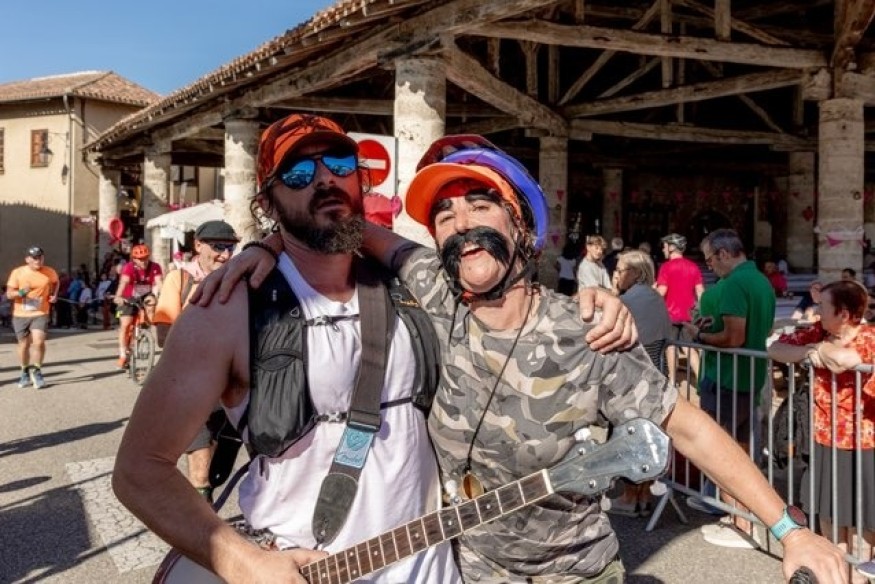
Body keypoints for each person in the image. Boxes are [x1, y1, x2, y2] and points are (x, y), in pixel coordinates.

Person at [206, 135, 848, 583]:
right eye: (445, 214)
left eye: (480, 204)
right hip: (468, 572)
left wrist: (791, 530)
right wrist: (263, 246)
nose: (461, 222)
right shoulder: (435, 292)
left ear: (519, 224)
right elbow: (341, 226)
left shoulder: (585, 330)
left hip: (576, 575)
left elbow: (689, 427)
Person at [113, 115, 634, 584]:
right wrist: (242, 562)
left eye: (339, 164)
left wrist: (595, 304)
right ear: (266, 203)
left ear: (359, 181)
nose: (324, 178)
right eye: (298, 172)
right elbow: (140, 469)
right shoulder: (228, 310)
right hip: (309, 571)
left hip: (432, 568)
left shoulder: (414, 287)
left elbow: (511, 296)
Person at [768, 280, 875, 584]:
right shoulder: (818, 333)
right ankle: (840, 575)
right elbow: (775, 348)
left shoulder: (869, 338)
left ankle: (860, 574)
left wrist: (825, 352)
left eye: (823, 307)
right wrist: (811, 350)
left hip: (864, 442)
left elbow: (847, 361)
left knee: (865, 520)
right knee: (830, 515)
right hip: (825, 439)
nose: (816, 312)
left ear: (843, 314)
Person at [683, 229, 776, 548]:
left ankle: (740, 522)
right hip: (750, 376)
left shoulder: (735, 283)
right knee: (741, 449)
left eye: (710, 260)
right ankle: (743, 516)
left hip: (726, 377)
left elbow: (734, 337)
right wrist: (714, 327)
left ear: (724, 254)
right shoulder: (760, 280)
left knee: (720, 451)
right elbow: (757, 328)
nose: (710, 266)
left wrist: (700, 336)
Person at [153, 219, 240, 502]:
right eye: (218, 247)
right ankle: (200, 517)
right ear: (198, 245)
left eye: (230, 247)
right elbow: (163, 335)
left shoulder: (239, 281)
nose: (225, 255)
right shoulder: (179, 279)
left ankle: (201, 505)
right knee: (201, 462)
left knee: (218, 454)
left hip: (232, 386)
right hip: (191, 385)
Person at [605, 248, 672, 517]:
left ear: (634, 273)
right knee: (646, 437)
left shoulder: (628, 300)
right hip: (654, 373)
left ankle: (630, 497)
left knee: (629, 437)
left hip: (631, 378)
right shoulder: (655, 298)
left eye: (620, 270)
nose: (617, 275)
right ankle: (642, 494)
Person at [6, 246, 59, 389]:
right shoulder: (18, 272)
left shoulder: (49, 271)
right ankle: (24, 371)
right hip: (20, 314)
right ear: (27, 259)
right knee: (23, 345)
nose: (38, 261)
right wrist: (21, 293)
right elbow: (9, 294)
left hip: (40, 313)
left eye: (40, 257)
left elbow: (56, 282)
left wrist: (54, 295)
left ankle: (37, 371)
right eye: (35, 258)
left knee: (39, 342)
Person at [656, 232, 705, 386]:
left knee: (670, 347)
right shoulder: (693, 267)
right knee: (689, 348)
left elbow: (661, 292)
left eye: (664, 246)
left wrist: (651, 291)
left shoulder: (666, 267)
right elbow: (701, 292)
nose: (663, 249)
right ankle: (701, 380)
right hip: (689, 315)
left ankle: (672, 381)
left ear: (671, 247)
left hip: (670, 315)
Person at [114, 243, 163, 369]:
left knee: (151, 302)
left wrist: (164, 295)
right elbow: (123, 282)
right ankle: (122, 354)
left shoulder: (155, 266)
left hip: (145, 295)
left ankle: (146, 330)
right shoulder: (129, 267)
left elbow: (159, 283)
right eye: (140, 259)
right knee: (126, 324)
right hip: (128, 296)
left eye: (145, 258)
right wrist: (118, 296)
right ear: (134, 259)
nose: (143, 261)